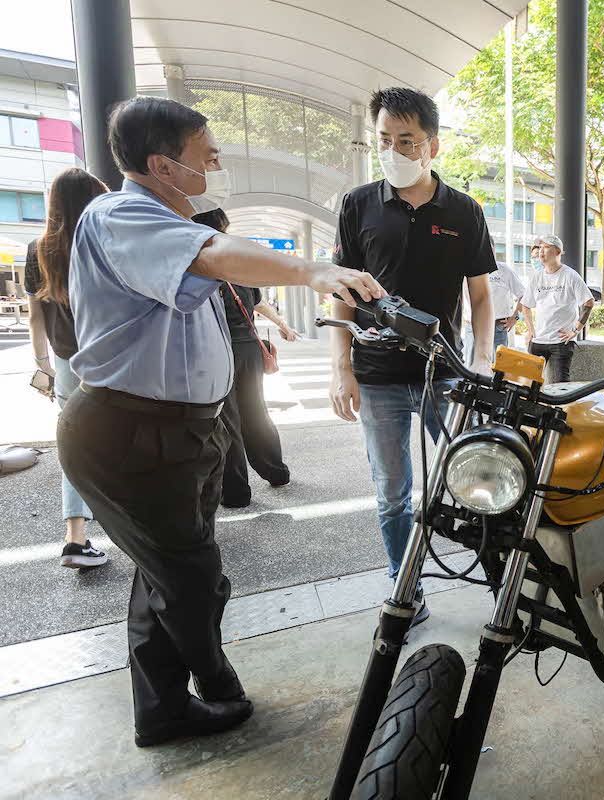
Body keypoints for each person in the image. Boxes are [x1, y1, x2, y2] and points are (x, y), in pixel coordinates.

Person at [57, 96, 385, 748]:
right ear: (162, 165)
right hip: (132, 432)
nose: (217, 167)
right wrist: (312, 269)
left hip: (176, 431)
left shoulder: (158, 219)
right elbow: (215, 253)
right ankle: (213, 683)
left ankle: (163, 710)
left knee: (166, 575)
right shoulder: (124, 213)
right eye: (207, 157)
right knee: (192, 578)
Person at [329, 87, 497, 625]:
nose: (393, 150)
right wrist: (341, 368)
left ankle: (501, 581)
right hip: (376, 377)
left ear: (433, 146)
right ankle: (406, 588)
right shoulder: (358, 204)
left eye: (406, 140)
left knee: (478, 482)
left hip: (444, 376)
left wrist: (484, 356)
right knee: (392, 495)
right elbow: (341, 292)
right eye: (384, 140)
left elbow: (480, 293)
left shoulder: (465, 210)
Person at [25, 167, 110, 569]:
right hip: (110, 358)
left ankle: (75, 537)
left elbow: (35, 316)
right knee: (126, 441)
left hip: (64, 361)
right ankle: (141, 530)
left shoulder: (37, 248)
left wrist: (43, 365)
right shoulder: (101, 241)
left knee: (73, 448)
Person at [193, 209, 296, 508]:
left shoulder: (199, 265)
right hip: (250, 349)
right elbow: (258, 303)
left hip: (219, 350)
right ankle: (276, 471)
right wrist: (282, 324)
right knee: (255, 410)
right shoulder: (237, 263)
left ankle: (236, 492)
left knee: (228, 420)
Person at [521, 234, 595, 383]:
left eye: (546, 247)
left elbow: (588, 303)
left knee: (559, 387)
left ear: (557, 252)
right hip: (537, 342)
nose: (541, 251)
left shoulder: (570, 275)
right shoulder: (537, 277)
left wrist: (575, 331)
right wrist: (530, 330)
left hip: (560, 344)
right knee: (528, 385)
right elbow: (525, 305)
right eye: (540, 247)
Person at [462, 260, 526, 363]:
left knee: (499, 367)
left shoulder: (504, 269)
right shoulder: (467, 269)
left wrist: (515, 318)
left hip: (498, 327)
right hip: (473, 326)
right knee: (472, 366)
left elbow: (524, 295)